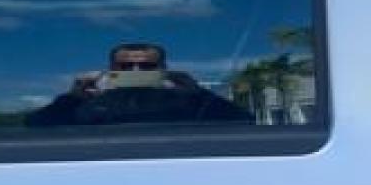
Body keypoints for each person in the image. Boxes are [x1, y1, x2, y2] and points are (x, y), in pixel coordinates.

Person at [26, 42, 251, 127]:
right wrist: (72, 98)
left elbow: (242, 122)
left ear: (164, 69)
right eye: (126, 67)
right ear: (111, 70)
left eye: (146, 66)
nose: (136, 71)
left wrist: (197, 94)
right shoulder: (92, 105)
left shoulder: (186, 103)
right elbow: (36, 126)